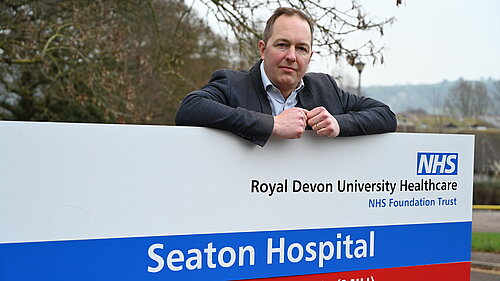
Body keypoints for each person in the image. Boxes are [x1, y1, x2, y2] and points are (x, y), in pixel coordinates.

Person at [175, 7, 396, 147]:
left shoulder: (325, 88)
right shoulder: (233, 83)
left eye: (301, 48)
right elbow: (189, 109)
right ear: (263, 49)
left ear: (310, 56)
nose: (291, 56)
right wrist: (272, 124)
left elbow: (385, 115)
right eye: (282, 45)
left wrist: (338, 123)